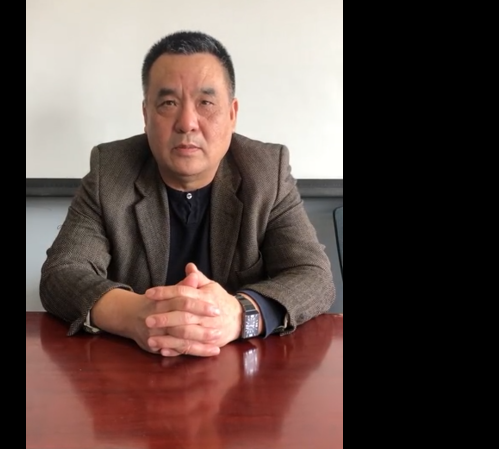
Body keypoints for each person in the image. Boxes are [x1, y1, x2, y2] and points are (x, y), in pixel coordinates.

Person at [40, 30, 335, 358]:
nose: (187, 123)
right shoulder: (111, 170)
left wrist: (240, 315)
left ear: (232, 114)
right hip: (134, 368)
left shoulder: (266, 171)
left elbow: (313, 276)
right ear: (146, 115)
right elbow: (62, 274)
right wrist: (137, 315)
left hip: (241, 369)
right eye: (168, 103)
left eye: (205, 103)